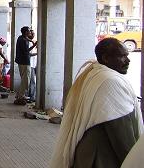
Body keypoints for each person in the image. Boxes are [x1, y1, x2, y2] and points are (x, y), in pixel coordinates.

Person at [50, 38, 143, 168]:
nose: (128, 61)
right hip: (100, 158)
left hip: (88, 154)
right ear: (105, 58)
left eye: (127, 56)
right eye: (122, 56)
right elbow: (122, 138)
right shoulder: (110, 82)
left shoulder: (95, 73)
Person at [14, 26, 37, 104]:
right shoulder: (23, 40)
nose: (30, 33)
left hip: (20, 61)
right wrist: (34, 45)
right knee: (26, 80)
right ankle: (21, 95)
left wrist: (31, 40)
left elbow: (26, 38)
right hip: (24, 62)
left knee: (24, 79)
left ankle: (20, 94)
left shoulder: (21, 38)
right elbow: (26, 51)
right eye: (29, 31)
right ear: (26, 32)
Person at [28, 29, 37, 102]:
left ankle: (31, 96)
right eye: (31, 33)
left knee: (32, 81)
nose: (33, 35)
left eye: (33, 33)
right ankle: (31, 97)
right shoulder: (29, 43)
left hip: (33, 64)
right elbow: (28, 53)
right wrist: (37, 53)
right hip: (30, 64)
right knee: (32, 81)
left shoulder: (32, 42)